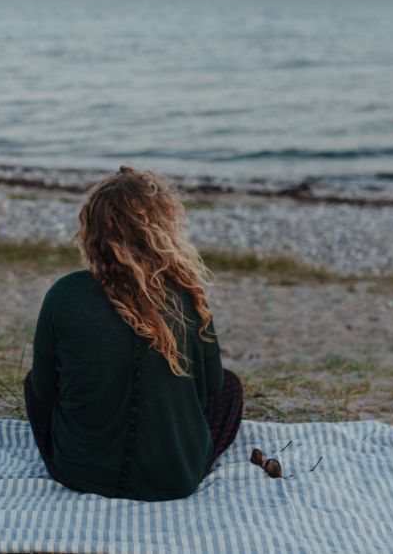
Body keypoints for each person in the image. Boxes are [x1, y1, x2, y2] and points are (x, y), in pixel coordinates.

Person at [24, 166, 243, 501]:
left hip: (80, 472)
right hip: (177, 478)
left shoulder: (64, 294)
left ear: (92, 232)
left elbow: (42, 388)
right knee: (230, 388)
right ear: (163, 229)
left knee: (32, 386)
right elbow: (213, 386)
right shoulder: (187, 294)